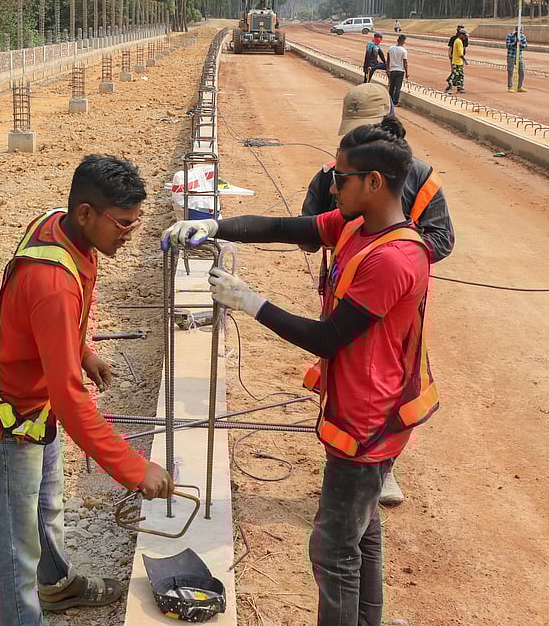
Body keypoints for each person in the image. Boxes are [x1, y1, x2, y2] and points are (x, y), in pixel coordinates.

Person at [162, 123, 439, 626]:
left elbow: (328, 338)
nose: (332, 186)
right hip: (365, 409)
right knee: (362, 533)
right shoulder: (358, 225)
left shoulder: (394, 259)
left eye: (341, 176)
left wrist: (250, 301)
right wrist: (212, 224)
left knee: (333, 549)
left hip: (367, 421)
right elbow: (283, 227)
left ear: (374, 182)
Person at [0, 154, 173, 626]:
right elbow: (71, 402)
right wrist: (134, 468)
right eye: (123, 223)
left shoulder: (60, 228)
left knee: (45, 504)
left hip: (31, 404)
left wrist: (81, 350)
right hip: (7, 418)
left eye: (135, 223)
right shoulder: (52, 282)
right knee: (14, 544)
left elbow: (62, 318)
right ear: (85, 213)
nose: (129, 232)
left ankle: (56, 586)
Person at [301, 91, 454, 507]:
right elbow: (309, 224)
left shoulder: (419, 178)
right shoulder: (337, 173)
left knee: (383, 385)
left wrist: (396, 255)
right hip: (348, 292)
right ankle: (355, 467)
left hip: (391, 301)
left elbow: (442, 239)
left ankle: (378, 470)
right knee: (348, 376)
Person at [385, 34, 409, 108]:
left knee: (391, 86)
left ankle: (390, 100)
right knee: (398, 87)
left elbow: (388, 59)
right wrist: (407, 72)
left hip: (392, 70)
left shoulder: (390, 48)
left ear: (397, 40)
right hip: (400, 70)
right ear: (403, 41)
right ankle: (395, 102)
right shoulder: (404, 51)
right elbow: (405, 62)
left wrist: (387, 68)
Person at [444, 27, 467, 93]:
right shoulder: (458, 42)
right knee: (454, 75)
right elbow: (460, 53)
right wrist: (465, 60)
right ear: (461, 35)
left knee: (461, 75)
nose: (465, 37)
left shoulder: (459, 41)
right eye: (465, 35)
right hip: (456, 62)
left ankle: (460, 88)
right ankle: (448, 88)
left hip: (459, 62)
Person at [506, 26, 527, 92]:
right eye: (519, 30)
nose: (520, 31)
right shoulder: (509, 36)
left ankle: (519, 87)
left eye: (521, 30)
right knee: (510, 72)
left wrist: (521, 45)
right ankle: (510, 87)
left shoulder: (523, 37)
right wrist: (515, 43)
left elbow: (525, 45)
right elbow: (508, 45)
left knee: (522, 71)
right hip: (511, 56)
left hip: (519, 56)